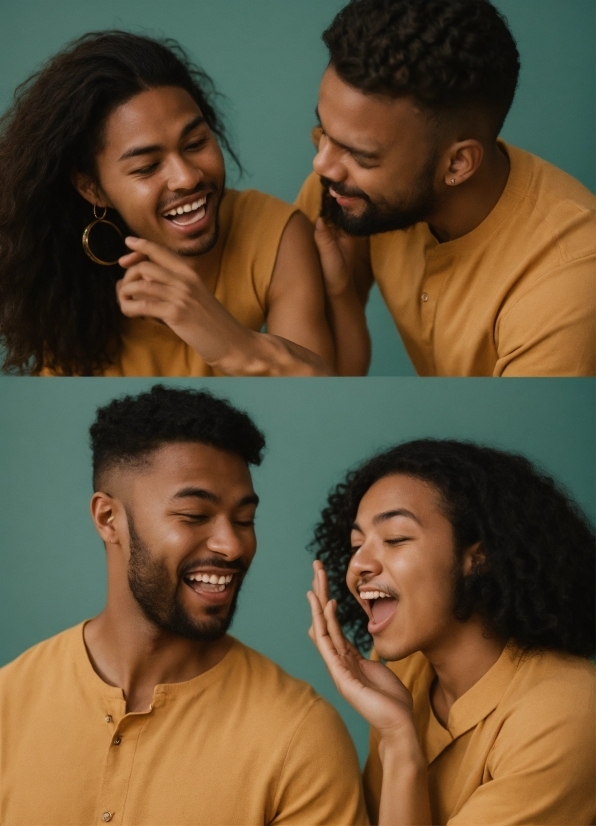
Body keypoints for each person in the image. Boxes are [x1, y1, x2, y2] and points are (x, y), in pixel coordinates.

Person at [0, 385, 368, 825]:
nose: (232, 545)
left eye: (245, 520)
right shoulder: (9, 701)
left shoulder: (300, 736)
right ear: (108, 519)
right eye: (194, 516)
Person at [0, 31, 369, 377]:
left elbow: (315, 386)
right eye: (147, 167)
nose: (187, 177)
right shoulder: (62, 279)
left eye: (195, 144)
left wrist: (226, 338)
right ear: (92, 189)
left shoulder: (274, 231)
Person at [296, 0, 596, 376]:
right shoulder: (345, 187)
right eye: (325, 131)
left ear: (457, 164)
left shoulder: (566, 289)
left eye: (361, 155)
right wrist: (340, 294)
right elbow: (318, 367)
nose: (321, 163)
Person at [307, 439, 595, 824]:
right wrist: (397, 734)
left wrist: (399, 741)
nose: (358, 564)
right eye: (357, 544)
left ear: (477, 558)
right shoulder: (402, 674)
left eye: (395, 539)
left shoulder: (568, 710)